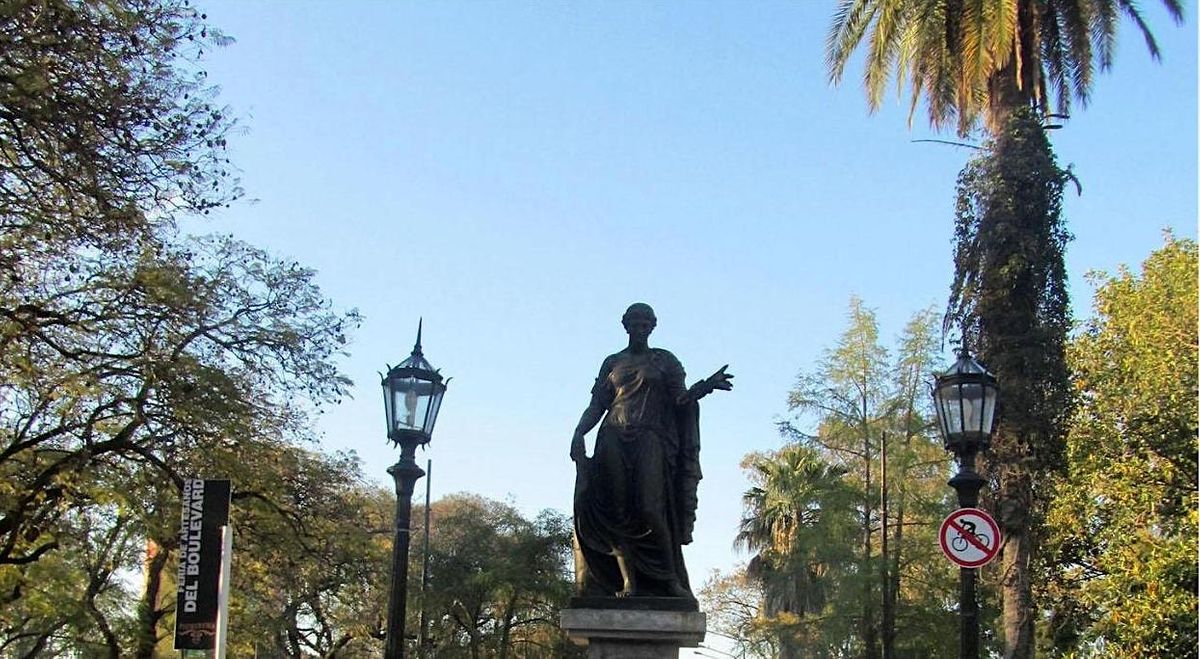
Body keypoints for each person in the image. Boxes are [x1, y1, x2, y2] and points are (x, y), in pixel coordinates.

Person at [570, 302, 732, 599]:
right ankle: (628, 582)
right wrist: (579, 432)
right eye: (634, 321)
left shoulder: (665, 361)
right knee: (618, 510)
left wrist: (705, 386)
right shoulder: (612, 362)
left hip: (650, 438)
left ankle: (670, 580)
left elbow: (680, 400)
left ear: (653, 326)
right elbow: (597, 405)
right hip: (612, 437)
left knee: (650, 507)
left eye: (645, 322)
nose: (640, 326)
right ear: (625, 325)